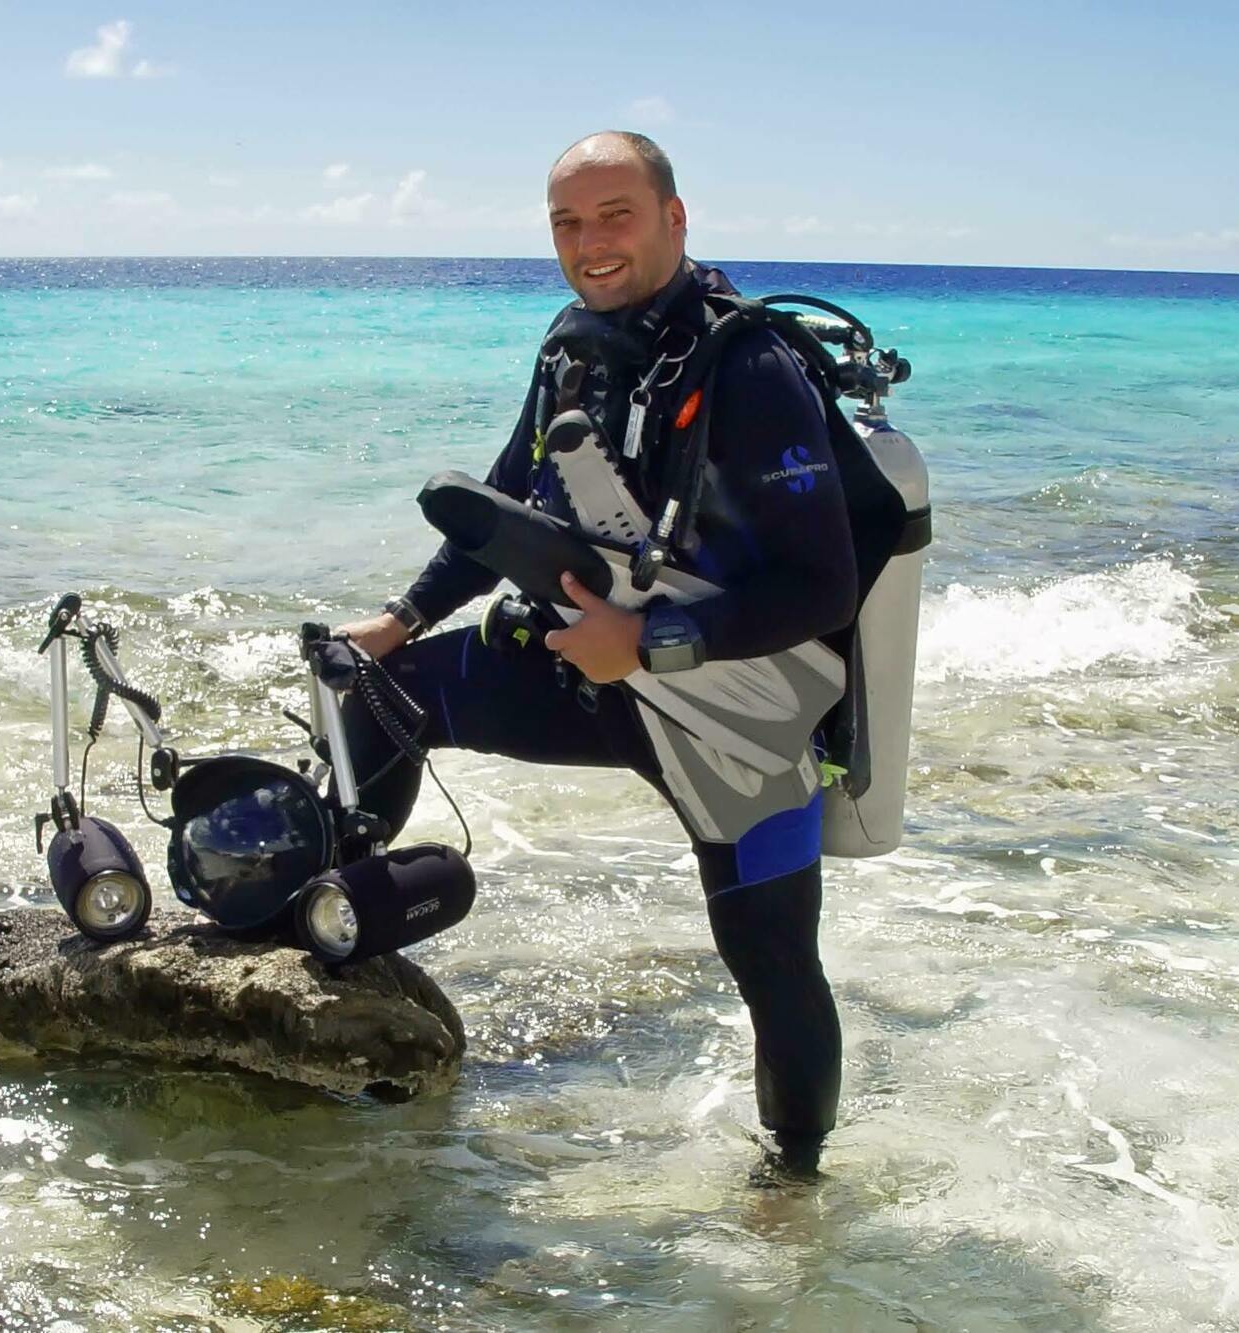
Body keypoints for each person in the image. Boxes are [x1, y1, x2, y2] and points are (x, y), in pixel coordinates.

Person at [334, 130, 856, 1176]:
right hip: (584, 670)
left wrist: (657, 639)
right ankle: (337, 942)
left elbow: (821, 584)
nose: (589, 243)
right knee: (382, 694)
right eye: (567, 223)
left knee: (770, 959)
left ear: (673, 217)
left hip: (734, 700)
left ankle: (793, 1190)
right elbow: (505, 499)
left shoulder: (747, 367)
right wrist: (405, 614)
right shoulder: (570, 344)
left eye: (614, 214)